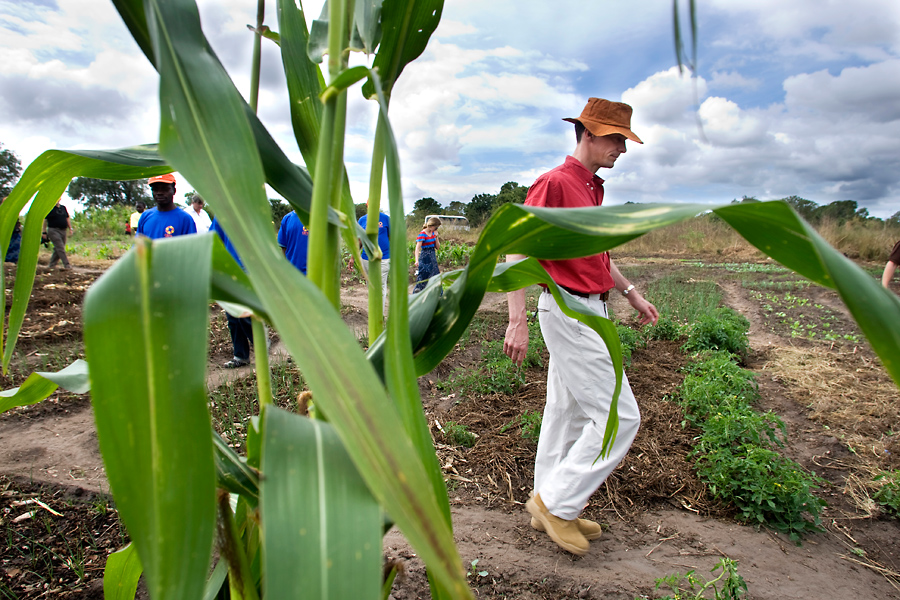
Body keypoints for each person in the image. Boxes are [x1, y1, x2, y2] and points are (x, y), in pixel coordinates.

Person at [503, 98, 659, 556]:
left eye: (624, 141)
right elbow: (516, 249)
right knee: (619, 415)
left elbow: (598, 257)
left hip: (594, 309)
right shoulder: (554, 183)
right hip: (568, 310)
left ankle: (545, 501)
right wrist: (517, 321)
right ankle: (557, 505)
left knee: (565, 412)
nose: (622, 150)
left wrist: (630, 291)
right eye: (616, 139)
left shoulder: (594, 188)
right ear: (588, 133)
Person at [210, 217, 254, 368]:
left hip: (249, 271)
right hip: (229, 270)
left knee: (246, 316)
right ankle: (240, 356)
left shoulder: (251, 211)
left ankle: (263, 346)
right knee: (233, 317)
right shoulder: (220, 214)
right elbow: (214, 240)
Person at [137, 174, 197, 239]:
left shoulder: (185, 219)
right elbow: (138, 245)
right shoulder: (145, 216)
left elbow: (192, 247)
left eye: (165, 189)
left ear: (174, 191)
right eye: (155, 189)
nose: (159, 193)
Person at [356, 206, 391, 315]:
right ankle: (374, 311)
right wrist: (353, 256)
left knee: (380, 286)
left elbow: (392, 237)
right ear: (367, 206)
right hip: (366, 258)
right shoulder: (362, 220)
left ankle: (378, 316)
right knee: (370, 285)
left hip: (384, 258)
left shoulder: (385, 219)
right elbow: (359, 240)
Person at [413, 216, 441, 293]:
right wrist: (416, 260)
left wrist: (436, 237)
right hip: (424, 256)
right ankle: (418, 293)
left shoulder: (433, 234)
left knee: (434, 274)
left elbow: (437, 247)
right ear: (431, 226)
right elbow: (417, 248)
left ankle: (436, 293)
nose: (436, 229)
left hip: (432, 256)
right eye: (436, 228)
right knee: (423, 275)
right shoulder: (422, 234)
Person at [43, 199, 73, 269]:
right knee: (60, 247)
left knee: (58, 248)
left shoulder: (63, 208)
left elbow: (67, 218)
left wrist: (70, 228)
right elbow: (45, 221)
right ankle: (67, 264)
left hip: (63, 230)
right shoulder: (49, 209)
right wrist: (44, 232)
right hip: (53, 230)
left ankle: (52, 265)